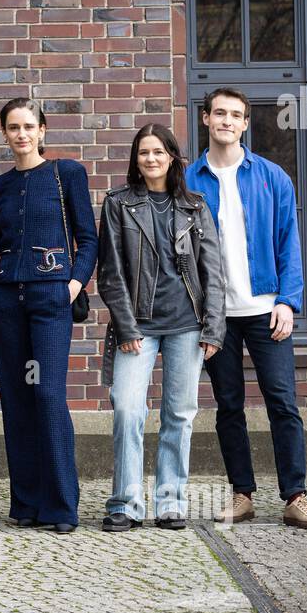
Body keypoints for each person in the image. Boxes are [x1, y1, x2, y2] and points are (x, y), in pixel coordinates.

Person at [186, 88, 307, 529]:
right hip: (215, 316)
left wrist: (288, 302)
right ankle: (242, 495)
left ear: (245, 124)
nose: (227, 121)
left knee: (282, 402)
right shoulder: (188, 181)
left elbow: (290, 244)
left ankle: (296, 497)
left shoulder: (272, 177)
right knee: (228, 405)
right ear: (206, 119)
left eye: (236, 116)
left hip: (266, 310)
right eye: (219, 114)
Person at [97, 123, 225, 531]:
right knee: (128, 409)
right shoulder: (118, 203)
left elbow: (213, 271)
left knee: (179, 414)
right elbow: (110, 272)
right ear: (135, 160)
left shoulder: (194, 205)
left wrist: (214, 329)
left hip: (187, 323)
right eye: (142, 153)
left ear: (172, 156)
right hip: (138, 327)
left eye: (157, 152)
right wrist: (127, 325)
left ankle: (171, 502)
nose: (150, 159)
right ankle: (126, 503)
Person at [0, 98, 98, 533]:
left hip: (51, 299)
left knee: (48, 394)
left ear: (43, 130)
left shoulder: (67, 173)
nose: (21, 134)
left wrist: (73, 284)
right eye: (13, 127)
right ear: (4, 133)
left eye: (29, 126)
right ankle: (27, 503)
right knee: (16, 399)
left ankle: (61, 506)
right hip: (5, 300)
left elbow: (88, 238)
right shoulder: (0, 187)